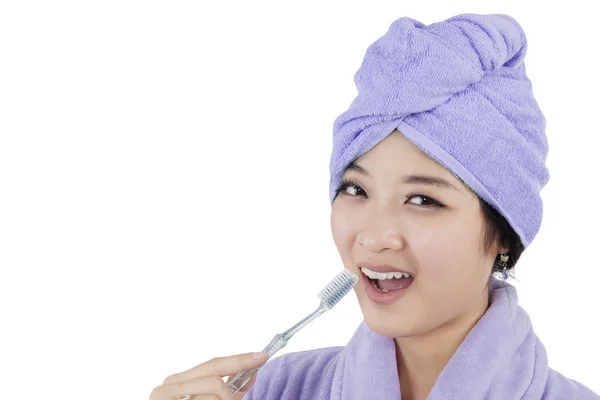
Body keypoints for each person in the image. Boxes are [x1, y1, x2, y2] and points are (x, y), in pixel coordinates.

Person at [150, 13, 599, 400]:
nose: (373, 236)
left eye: (423, 200)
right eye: (356, 190)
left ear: (503, 231)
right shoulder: (274, 390)